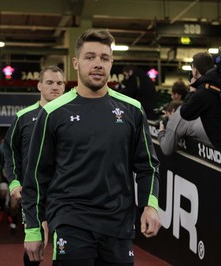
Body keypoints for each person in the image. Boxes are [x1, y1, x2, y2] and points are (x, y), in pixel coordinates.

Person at [22, 28, 161, 265]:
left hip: (118, 224)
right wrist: (33, 228)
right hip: (71, 221)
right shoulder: (52, 113)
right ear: (75, 63)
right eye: (90, 57)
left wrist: (150, 206)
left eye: (104, 58)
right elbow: (36, 176)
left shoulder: (132, 109)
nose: (98, 64)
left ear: (111, 63)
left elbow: (147, 166)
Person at [4, 65, 65, 265]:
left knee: (64, 246)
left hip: (66, 193)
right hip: (34, 194)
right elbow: (11, 153)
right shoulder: (23, 118)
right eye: (49, 82)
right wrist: (13, 183)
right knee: (37, 247)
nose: (55, 87)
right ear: (39, 85)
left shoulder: (73, 117)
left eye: (59, 83)